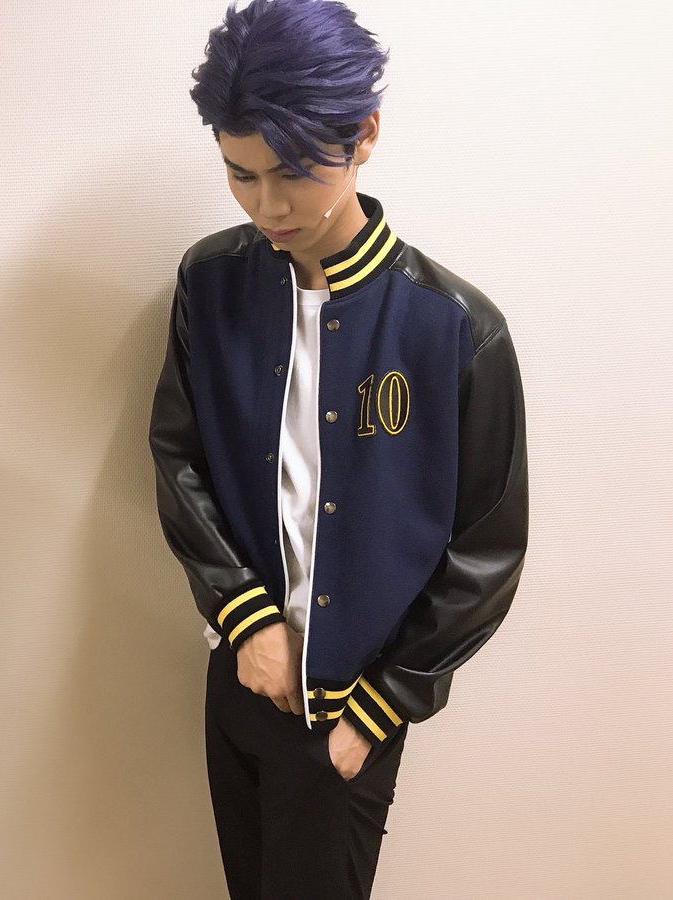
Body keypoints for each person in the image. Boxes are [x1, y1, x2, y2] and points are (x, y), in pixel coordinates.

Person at [149, 2, 527, 897]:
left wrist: (379, 711)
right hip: (239, 674)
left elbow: (488, 548)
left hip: (354, 710)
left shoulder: (455, 328)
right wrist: (246, 620)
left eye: (292, 172)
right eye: (240, 174)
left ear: (365, 136)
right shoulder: (212, 282)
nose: (268, 206)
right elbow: (178, 456)